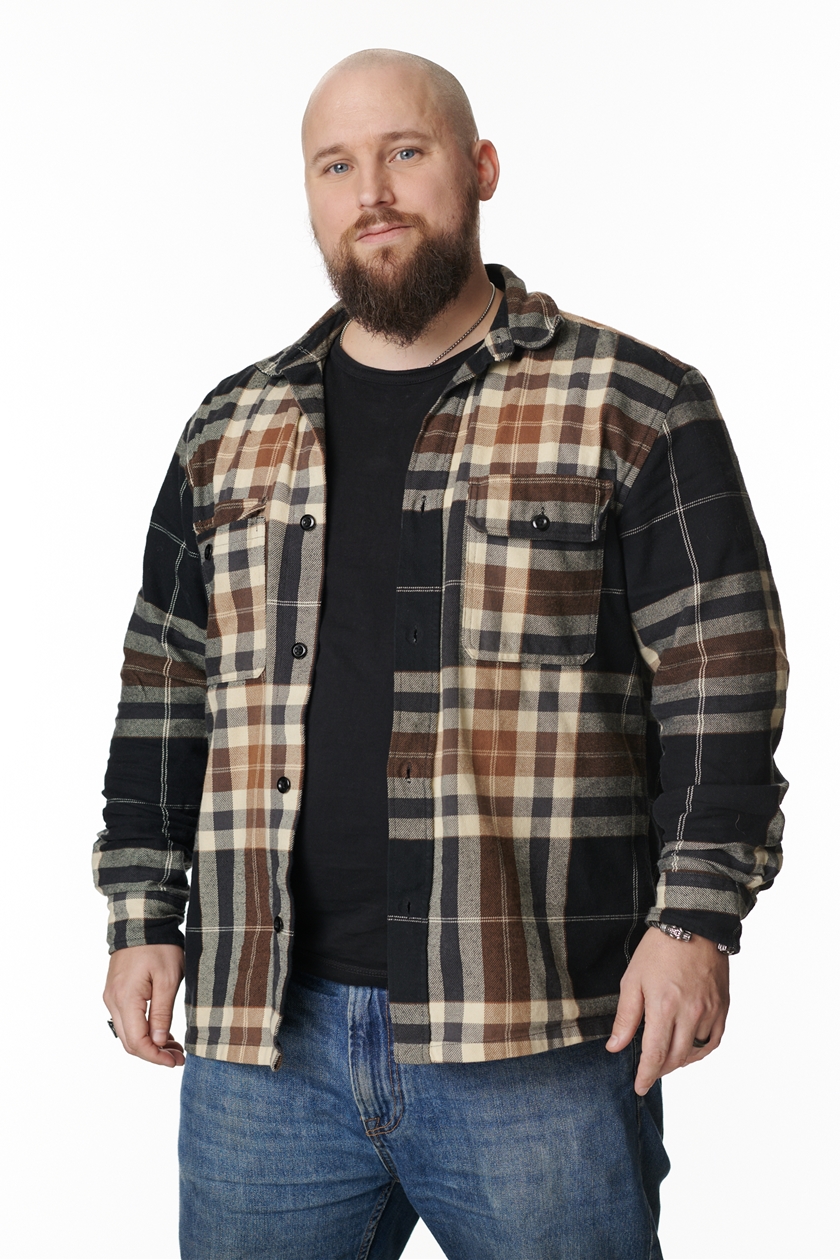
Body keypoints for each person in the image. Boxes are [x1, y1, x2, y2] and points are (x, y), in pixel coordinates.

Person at [94, 47, 787, 1260]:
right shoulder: (229, 428)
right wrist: (142, 913)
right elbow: (164, 684)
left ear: (480, 168)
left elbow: (722, 673)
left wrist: (695, 923)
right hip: (265, 1041)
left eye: (404, 153)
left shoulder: (633, 402)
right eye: (336, 166)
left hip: (541, 1034)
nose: (372, 191)